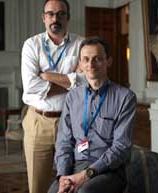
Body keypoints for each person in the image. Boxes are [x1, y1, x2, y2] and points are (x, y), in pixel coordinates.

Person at [48, 37, 137, 193]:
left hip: (109, 170)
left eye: (97, 59)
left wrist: (85, 175)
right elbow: (64, 141)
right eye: (86, 60)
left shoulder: (125, 98)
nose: (91, 64)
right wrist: (63, 176)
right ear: (80, 65)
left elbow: (121, 148)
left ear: (108, 61)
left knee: (84, 192)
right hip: (76, 165)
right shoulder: (72, 97)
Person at [21, 0, 84, 193]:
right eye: (50, 14)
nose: (55, 19)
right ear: (44, 17)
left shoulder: (81, 44)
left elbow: (85, 81)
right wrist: (70, 80)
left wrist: (46, 76)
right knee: (37, 186)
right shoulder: (32, 45)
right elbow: (31, 86)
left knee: (72, 183)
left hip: (72, 123)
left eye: (60, 14)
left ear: (68, 17)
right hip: (39, 121)